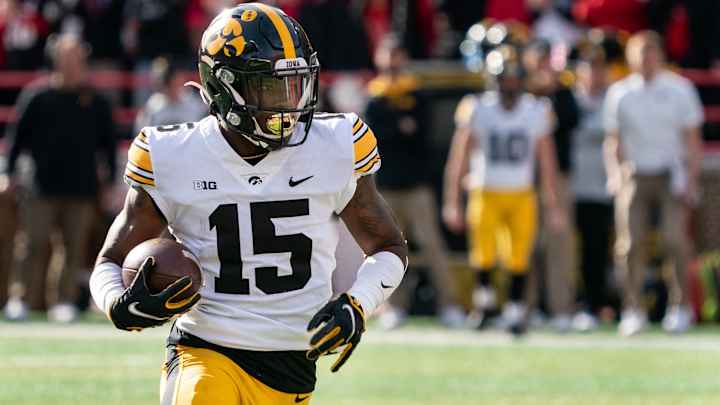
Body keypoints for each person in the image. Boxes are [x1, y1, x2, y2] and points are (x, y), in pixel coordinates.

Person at [89, 4, 408, 404]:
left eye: (296, 85)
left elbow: (389, 247)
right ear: (225, 87)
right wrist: (116, 303)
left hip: (293, 366)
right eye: (272, 88)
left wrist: (358, 303)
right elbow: (110, 261)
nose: (289, 105)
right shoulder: (171, 155)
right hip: (205, 348)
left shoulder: (335, 145)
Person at [443, 45, 562, 334]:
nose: (509, 84)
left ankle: (515, 310)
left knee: (518, 254)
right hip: (486, 189)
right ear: (493, 79)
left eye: (513, 78)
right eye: (504, 78)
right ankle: (484, 305)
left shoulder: (536, 109)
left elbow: (547, 160)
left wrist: (553, 203)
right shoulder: (477, 107)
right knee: (483, 252)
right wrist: (452, 200)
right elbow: (459, 156)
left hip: (522, 192)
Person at [2, 33, 116, 322]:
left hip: (81, 186)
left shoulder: (96, 101)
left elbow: (108, 146)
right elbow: (16, 139)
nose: (72, 63)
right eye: (67, 57)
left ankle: (63, 301)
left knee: (73, 247)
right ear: (55, 60)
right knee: (32, 244)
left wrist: (110, 182)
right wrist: (9, 173)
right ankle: (20, 298)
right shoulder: (37, 96)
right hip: (40, 185)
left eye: (76, 57)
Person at [604, 30, 704, 336]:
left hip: (671, 174)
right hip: (635, 173)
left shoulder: (680, 89)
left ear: (660, 55)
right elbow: (613, 140)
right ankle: (633, 309)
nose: (645, 59)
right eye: (640, 53)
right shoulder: (620, 93)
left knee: (675, 240)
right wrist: (615, 174)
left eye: (650, 52)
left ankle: (680, 307)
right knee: (630, 243)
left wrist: (691, 178)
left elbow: (692, 139)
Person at [364, 34, 464, 330]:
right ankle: (393, 306)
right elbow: (376, 136)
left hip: (416, 185)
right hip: (386, 185)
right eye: (387, 54)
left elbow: (422, 134)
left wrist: (397, 128)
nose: (392, 61)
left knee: (432, 245)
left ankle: (450, 304)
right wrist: (400, 126)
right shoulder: (375, 96)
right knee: (387, 250)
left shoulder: (417, 94)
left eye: (396, 54)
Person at [522, 39, 579, 332]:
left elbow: (571, 120)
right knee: (526, 244)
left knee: (559, 242)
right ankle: (526, 306)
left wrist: (553, 91)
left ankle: (561, 308)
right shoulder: (518, 90)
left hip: (558, 176)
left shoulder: (563, 91)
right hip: (522, 178)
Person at [570, 45, 614, 332]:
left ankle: (596, 304)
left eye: (599, 68)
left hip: (603, 187)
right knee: (568, 251)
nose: (594, 74)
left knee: (597, 249)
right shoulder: (567, 100)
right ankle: (566, 305)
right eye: (589, 67)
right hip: (571, 186)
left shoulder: (614, 100)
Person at [133, 57, 207, 133]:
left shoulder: (195, 104)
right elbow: (142, 134)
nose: (179, 84)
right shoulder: (153, 107)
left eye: (180, 79)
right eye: (176, 80)